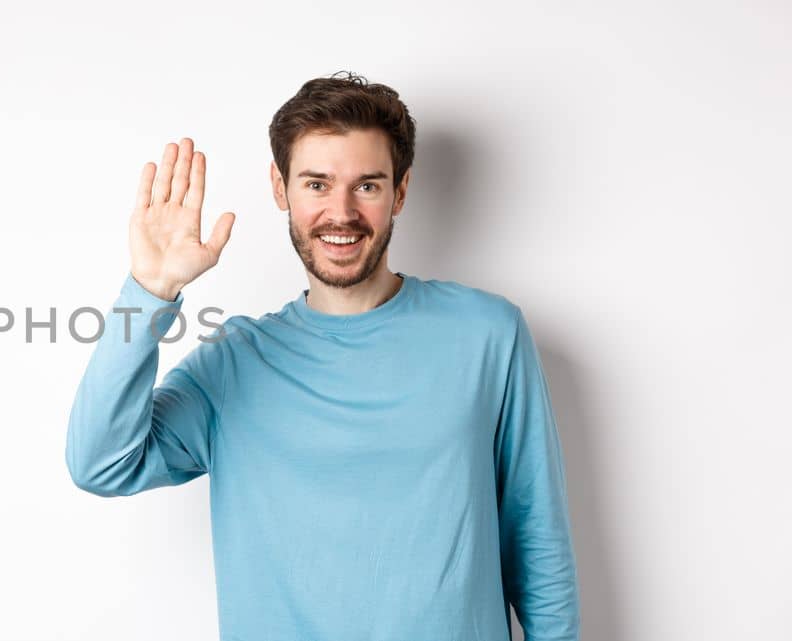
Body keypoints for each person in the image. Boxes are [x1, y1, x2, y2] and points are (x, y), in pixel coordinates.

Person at [64, 71, 580, 641]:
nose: (341, 213)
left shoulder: (488, 334)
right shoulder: (236, 364)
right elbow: (100, 462)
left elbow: (537, 538)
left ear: (400, 192)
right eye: (316, 184)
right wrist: (149, 292)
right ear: (281, 189)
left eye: (366, 185)